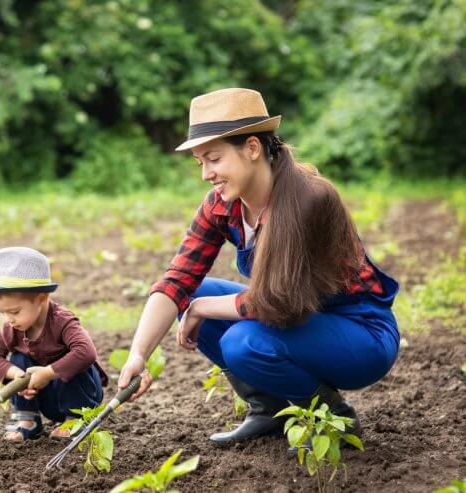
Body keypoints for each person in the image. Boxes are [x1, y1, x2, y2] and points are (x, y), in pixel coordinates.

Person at [116, 88, 400, 446]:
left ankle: (333, 419)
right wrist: (138, 354)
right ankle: (268, 408)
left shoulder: (309, 199)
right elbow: (178, 280)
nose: (206, 174)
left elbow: (281, 303)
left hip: (360, 331)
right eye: (200, 162)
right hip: (301, 319)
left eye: (214, 159)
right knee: (195, 292)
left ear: (252, 148)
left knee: (241, 341)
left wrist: (200, 307)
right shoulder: (222, 205)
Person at [0, 246, 108, 442]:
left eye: (15, 311)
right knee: (18, 358)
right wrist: (18, 375)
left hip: (79, 398)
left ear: (42, 298)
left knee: (73, 358)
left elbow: (86, 352)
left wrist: (47, 373)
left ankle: (76, 420)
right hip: (43, 397)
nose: (8, 319)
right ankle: (28, 420)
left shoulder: (62, 322)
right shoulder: (12, 327)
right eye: (1, 312)